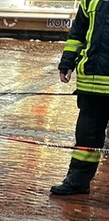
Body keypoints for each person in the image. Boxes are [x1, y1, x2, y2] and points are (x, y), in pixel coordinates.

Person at [50, 0, 109, 196]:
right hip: (92, 83)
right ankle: (77, 181)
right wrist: (67, 62)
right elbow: (78, 33)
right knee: (86, 137)